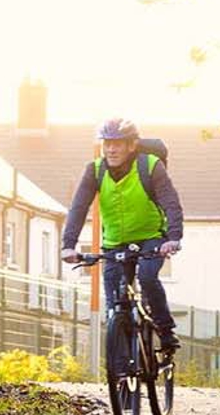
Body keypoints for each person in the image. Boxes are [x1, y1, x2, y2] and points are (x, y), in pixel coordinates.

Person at [58, 118, 184, 352]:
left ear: (132, 145)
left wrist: (173, 237)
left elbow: (170, 202)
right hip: (115, 242)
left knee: (147, 277)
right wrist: (68, 244)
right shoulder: (94, 170)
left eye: (118, 144)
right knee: (115, 298)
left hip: (151, 237)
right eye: (107, 144)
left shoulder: (150, 166)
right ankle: (121, 358)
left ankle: (166, 331)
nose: (111, 149)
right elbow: (78, 207)